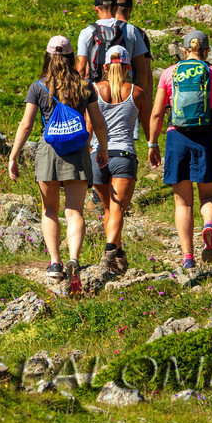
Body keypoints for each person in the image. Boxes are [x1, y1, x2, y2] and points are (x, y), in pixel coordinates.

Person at [8, 35, 110, 295]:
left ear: (47, 56)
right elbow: (98, 122)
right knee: (75, 211)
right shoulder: (85, 85)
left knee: (49, 210)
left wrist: (13, 155)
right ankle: (74, 257)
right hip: (77, 151)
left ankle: (55, 263)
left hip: (48, 151)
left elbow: (27, 124)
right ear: (70, 56)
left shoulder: (38, 87)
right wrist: (103, 150)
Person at [147, 29, 212, 271]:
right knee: (209, 195)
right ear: (207, 52)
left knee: (183, 203)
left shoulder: (170, 73)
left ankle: (188, 257)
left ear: (185, 51)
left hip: (177, 137)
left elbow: (156, 113)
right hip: (208, 136)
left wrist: (153, 144)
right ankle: (208, 224)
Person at [92, 45, 140, 275]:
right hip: (124, 153)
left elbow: (88, 126)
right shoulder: (136, 92)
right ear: (128, 67)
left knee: (108, 209)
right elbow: (150, 120)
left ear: (104, 67)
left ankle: (118, 254)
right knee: (119, 207)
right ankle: (110, 250)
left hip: (97, 154)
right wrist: (153, 145)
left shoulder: (93, 90)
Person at [77, 0, 152, 129]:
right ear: (116, 7)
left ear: (95, 8)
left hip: (96, 96)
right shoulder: (130, 30)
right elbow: (142, 70)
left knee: (96, 143)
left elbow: (81, 70)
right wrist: (137, 99)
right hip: (125, 96)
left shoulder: (87, 32)